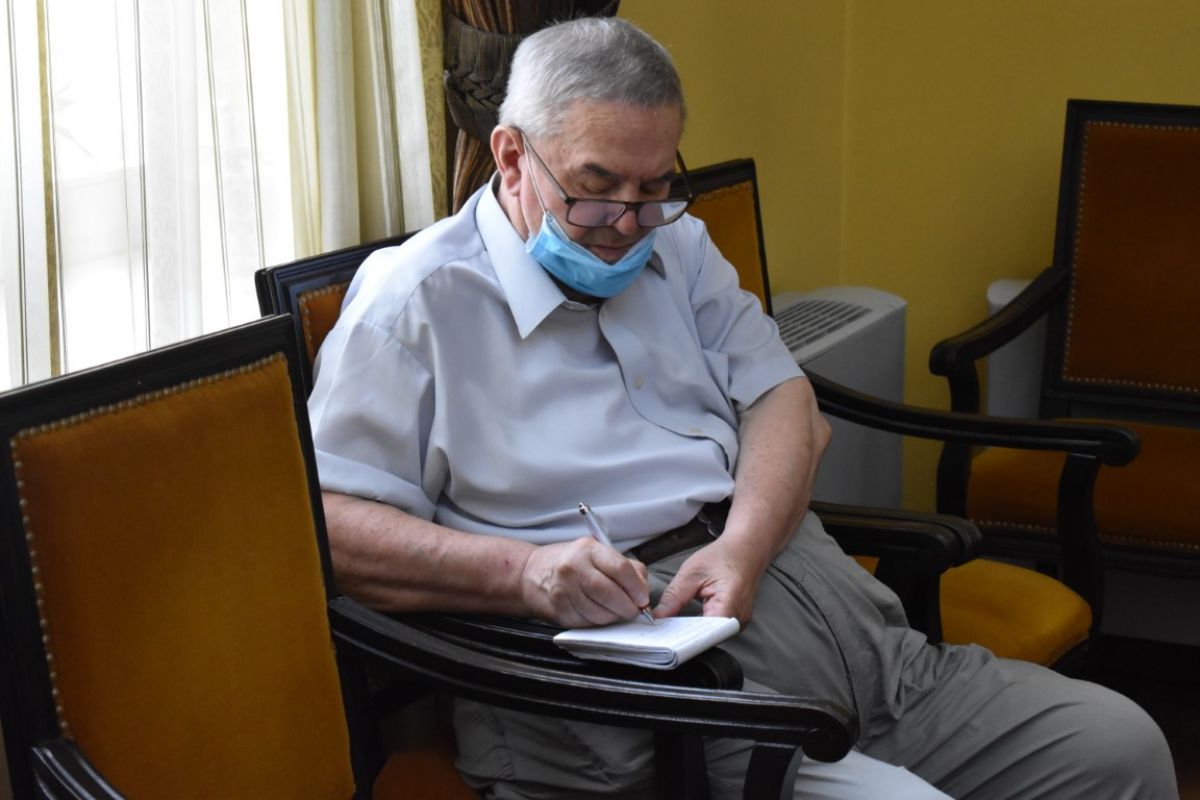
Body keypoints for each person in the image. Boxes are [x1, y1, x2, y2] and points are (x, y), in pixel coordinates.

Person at [307, 16, 1178, 800]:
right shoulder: (414, 304)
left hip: (812, 608)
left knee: (1119, 748)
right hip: (642, 693)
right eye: (596, 188)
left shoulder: (678, 245)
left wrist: (746, 546)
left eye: (655, 187)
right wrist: (524, 576)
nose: (628, 223)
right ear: (509, 157)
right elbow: (331, 530)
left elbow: (784, 398)